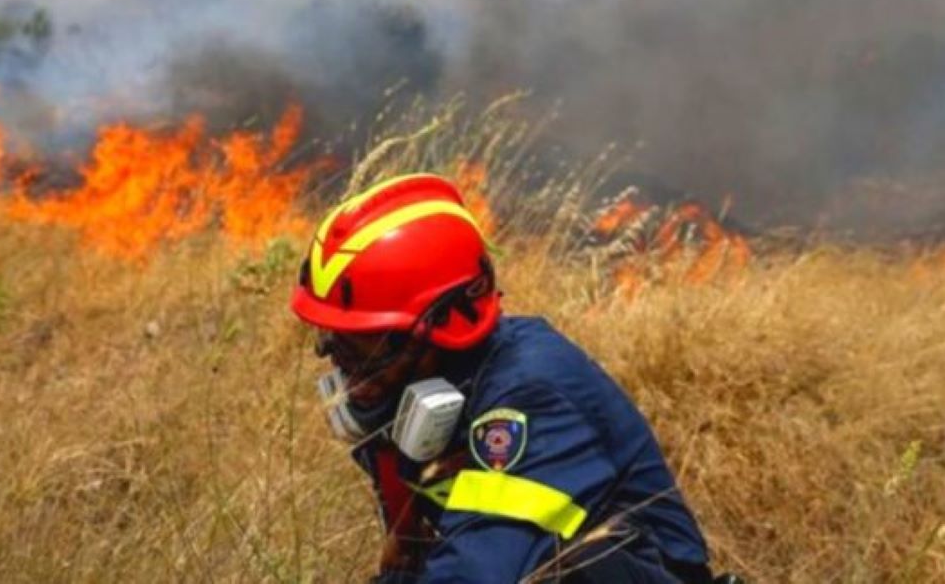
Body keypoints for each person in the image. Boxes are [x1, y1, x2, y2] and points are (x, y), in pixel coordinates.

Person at [291, 173, 737, 583]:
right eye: (334, 339)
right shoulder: (400, 400)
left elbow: (474, 575)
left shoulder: (529, 393)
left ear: (445, 324)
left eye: (367, 343)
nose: (344, 366)